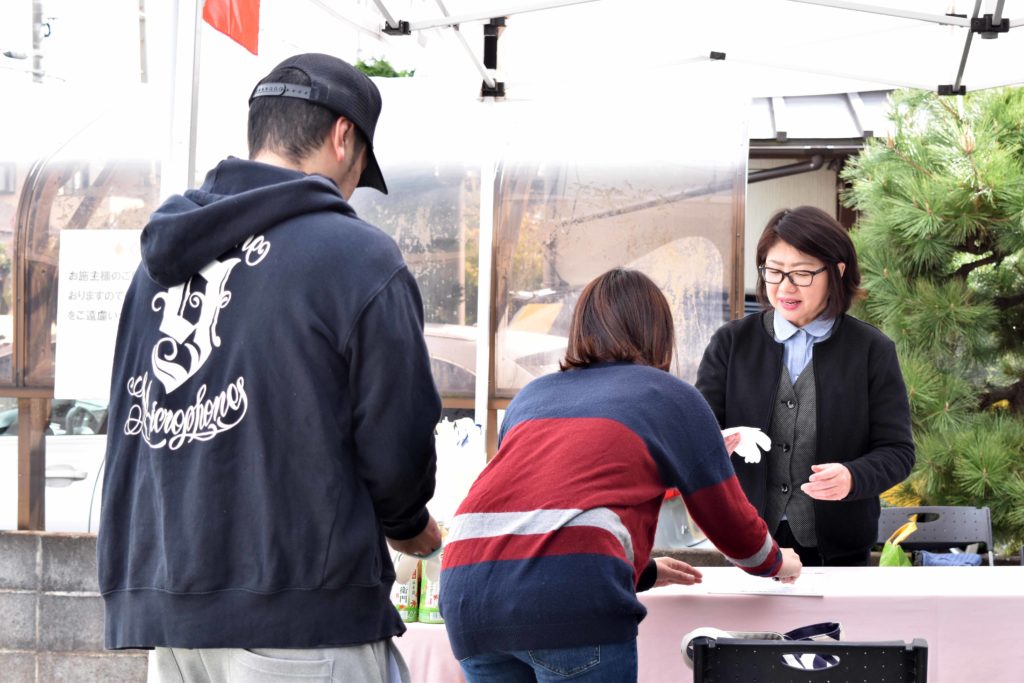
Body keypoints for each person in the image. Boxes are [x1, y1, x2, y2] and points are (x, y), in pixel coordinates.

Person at [97, 53, 443, 682]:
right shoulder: (356, 256)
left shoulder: (159, 263)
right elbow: (396, 439)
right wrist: (411, 525)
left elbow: (129, 419)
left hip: (172, 630)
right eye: (360, 166)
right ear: (345, 137)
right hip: (303, 622)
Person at [439, 268, 802, 683]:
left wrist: (641, 568)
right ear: (659, 333)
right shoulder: (670, 395)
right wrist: (776, 561)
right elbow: (728, 521)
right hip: (569, 597)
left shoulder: (531, 396)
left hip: (468, 591)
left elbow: (545, 503)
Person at [696, 206, 915, 567]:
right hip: (745, 543)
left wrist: (853, 477)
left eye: (801, 273)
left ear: (837, 272)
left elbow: (898, 452)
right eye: (774, 271)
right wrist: (716, 444)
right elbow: (699, 432)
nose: (785, 287)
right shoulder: (732, 343)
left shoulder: (871, 350)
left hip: (839, 549)